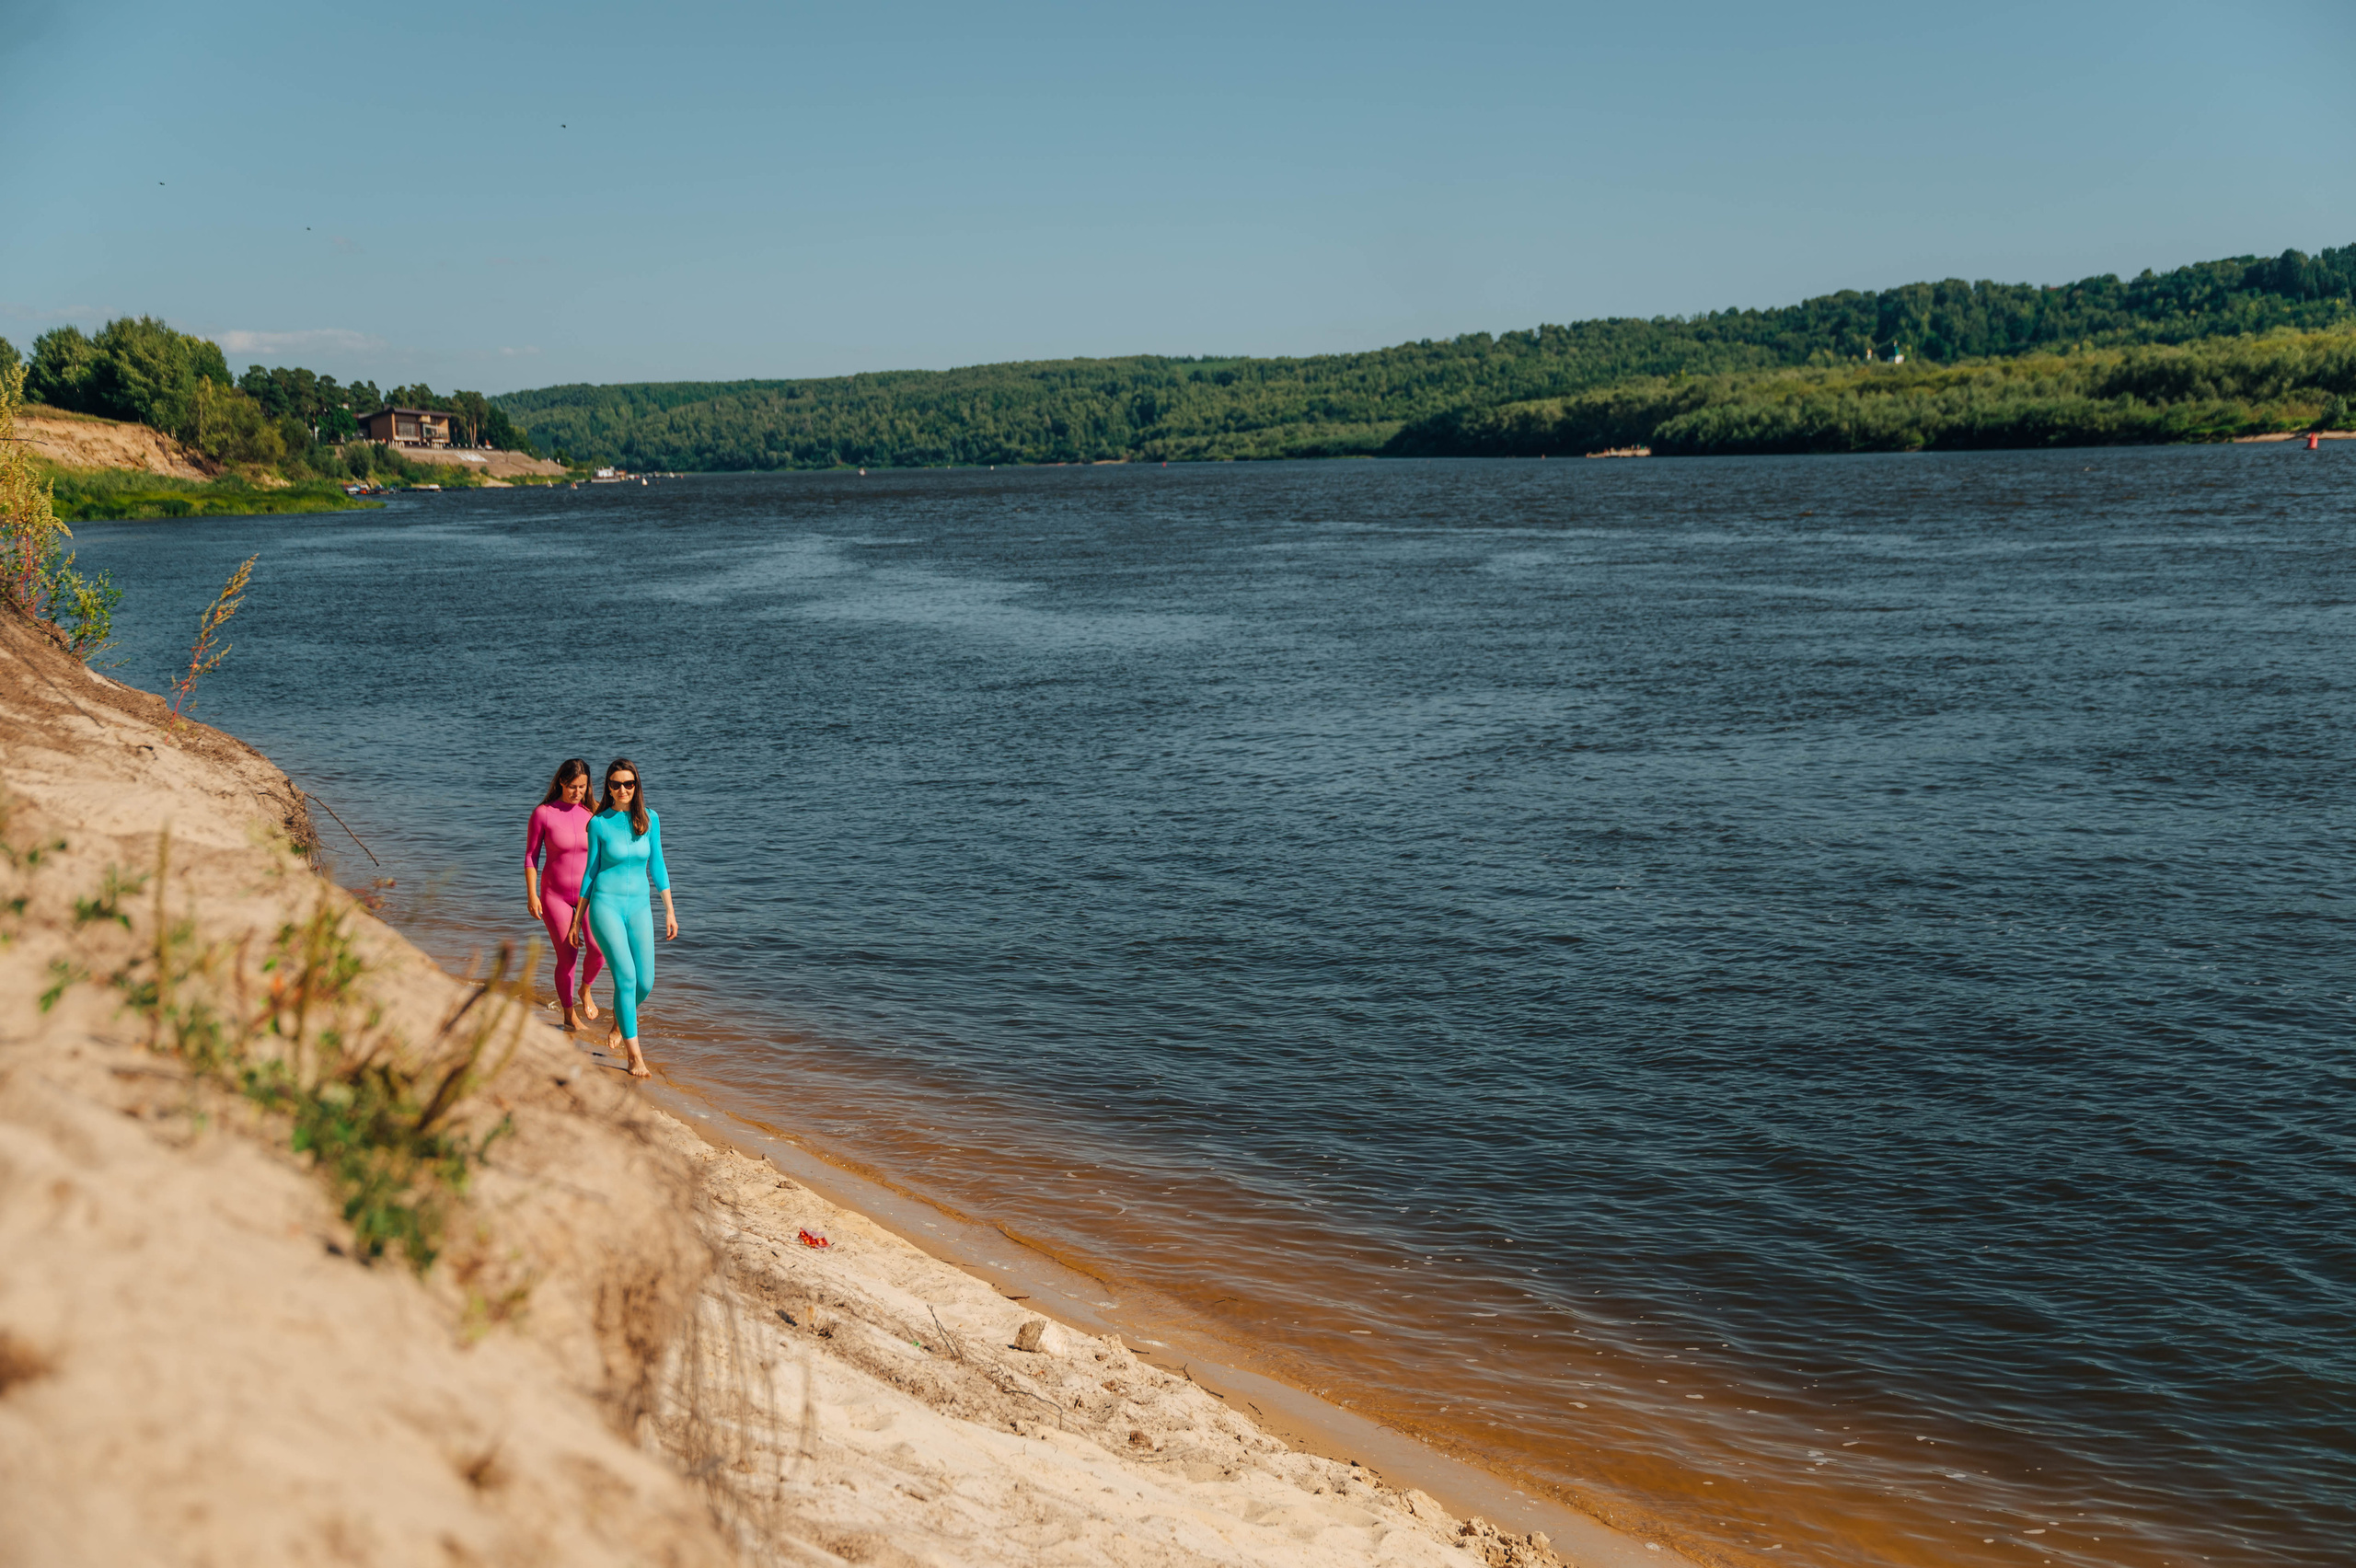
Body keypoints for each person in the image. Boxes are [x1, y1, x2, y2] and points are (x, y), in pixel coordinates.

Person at [568, 757, 676, 1078]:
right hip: (606, 908)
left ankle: (619, 1021)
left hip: (640, 908)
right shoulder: (599, 823)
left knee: (645, 982)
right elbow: (590, 873)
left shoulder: (650, 819)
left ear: (636, 785)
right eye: (615, 784)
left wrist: (669, 909)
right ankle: (634, 1057)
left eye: (628, 783)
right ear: (608, 787)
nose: (622, 789)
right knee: (626, 977)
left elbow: (657, 865)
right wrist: (577, 920)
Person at [525, 758, 606, 1032]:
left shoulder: (593, 813)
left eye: (582, 787)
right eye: (572, 786)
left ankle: (585, 990)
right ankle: (569, 1014)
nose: (577, 793)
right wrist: (532, 895)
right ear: (561, 781)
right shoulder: (543, 813)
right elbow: (531, 857)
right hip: (554, 896)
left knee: (598, 949)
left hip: (588, 896)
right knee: (568, 957)